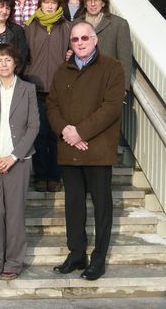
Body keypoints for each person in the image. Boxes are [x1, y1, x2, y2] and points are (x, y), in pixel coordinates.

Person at [47, 21, 125, 281]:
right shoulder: (61, 71)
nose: (79, 43)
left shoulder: (112, 68)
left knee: (102, 207)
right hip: (69, 151)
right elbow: (52, 107)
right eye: (75, 40)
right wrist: (66, 132)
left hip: (97, 149)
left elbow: (111, 107)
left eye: (84, 38)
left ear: (95, 40)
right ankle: (76, 253)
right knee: (74, 205)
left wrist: (80, 132)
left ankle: (98, 259)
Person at [0, 43, 39, 280]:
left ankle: (13, 261)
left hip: (18, 160)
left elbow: (34, 126)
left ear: (16, 63)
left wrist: (13, 156)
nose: (3, 64)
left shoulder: (28, 89)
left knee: (14, 211)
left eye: (8, 60)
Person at [24, 0, 71, 192]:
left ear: (59, 5)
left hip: (59, 90)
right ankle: (41, 176)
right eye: (46, 2)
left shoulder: (67, 27)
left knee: (56, 135)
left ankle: (55, 176)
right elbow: (23, 55)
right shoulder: (29, 27)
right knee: (40, 134)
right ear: (40, 4)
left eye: (53, 3)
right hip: (36, 89)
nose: (49, 6)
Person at [75, 0, 132, 91]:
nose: (93, 4)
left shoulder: (119, 24)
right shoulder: (74, 24)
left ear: (103, 3)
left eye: (96, 0)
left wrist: (123, 89)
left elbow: (125, 60)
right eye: (89, 0)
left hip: (109, 86)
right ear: (85, 3)